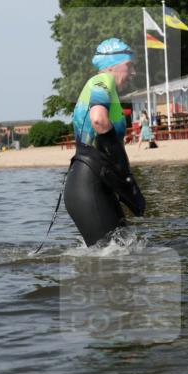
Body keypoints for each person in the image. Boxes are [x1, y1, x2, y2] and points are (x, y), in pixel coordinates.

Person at [64, 38, 145, 246]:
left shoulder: (109, 91)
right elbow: (98, 120)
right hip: (89, 184)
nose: (133, 72)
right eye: (129, 65)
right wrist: (123, 171)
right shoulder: (102, 81)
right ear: (112, 66)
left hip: (97, 183)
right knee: (113, 257)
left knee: (125, 251)